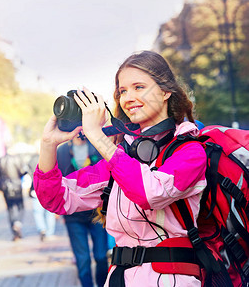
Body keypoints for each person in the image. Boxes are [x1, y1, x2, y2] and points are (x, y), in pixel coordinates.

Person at [33, 51, 207, 286]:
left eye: (139, 87)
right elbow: (55, 198)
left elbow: (149, 193)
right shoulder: (120, 158)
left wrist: (97, 136)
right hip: (119, 278)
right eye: (122, 91)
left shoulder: (190, 152)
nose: (128, 97)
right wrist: (48, 144)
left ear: (166, 91)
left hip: (172, 278)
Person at [57, 136, 108, 287]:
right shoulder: (63, 150)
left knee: (100, 256)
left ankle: (102, 284)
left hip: (96, 211)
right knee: (83, 258)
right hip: (73, 214)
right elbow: (58, 178)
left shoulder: (97, 146)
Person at [0, 153, 29, 241]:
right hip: (17, 185)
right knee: (20, 207)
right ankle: (17, 223)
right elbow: (23, 171)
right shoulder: (17, 159)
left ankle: (14, 230)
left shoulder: (0, 160)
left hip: (5, 187)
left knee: (10, 209)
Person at [28, 153, 56, 241]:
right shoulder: (50, 158)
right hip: (49, 189)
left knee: (38, 212)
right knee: (50, 212)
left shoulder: (31, 160)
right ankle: (49, 232)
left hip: (36, 189)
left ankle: (42, 229)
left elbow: (28, 174)